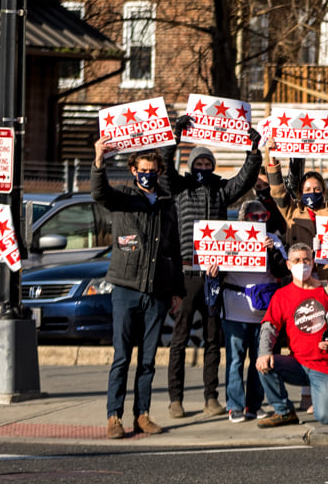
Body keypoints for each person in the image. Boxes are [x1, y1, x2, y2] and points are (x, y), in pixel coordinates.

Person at [163, 115, 263, 419]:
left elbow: (245, 178)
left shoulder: (221, 191)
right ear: (192, 166)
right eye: (199, 164)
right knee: (179, 337)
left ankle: (211, 398)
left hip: (214, 274)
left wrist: (253, 149)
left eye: (208, 165)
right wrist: (174, 137)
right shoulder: (180, 188)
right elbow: (166, 169)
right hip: (186, 272)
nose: (203, 169)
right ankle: (175, 400)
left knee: (212, 338)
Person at [91, 137, 185, 440]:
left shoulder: (167, 203)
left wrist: (177, 291)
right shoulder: (123, 197)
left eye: (153, 170)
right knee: (121, 357)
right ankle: (113, 417)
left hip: (156, 292)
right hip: (126, 288)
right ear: (133, 170)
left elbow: (173, 249)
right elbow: (98, 191)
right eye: (143, 169)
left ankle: (142, 414)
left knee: (148, 359)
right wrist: (98, 159)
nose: (148, 175)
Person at [255, 242, 328, 427]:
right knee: (265, 364)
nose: (303, 264)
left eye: (306, 259)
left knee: (325, 418)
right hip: (297, 364)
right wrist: (264, 352)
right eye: (297, 260)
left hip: (325, 367)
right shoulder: (282, 295)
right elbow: (269, 327)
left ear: (313, 262)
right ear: (288, 265)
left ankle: (321, 399)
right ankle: (283, 411)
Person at [206, 199, 287, 422]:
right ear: (244, 219)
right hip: (235, 307)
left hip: (265, 310)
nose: (260, 221)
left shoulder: (274, 240)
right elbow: (216, 265)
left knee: (259, 359)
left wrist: (273, 251)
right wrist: (212, 273)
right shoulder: (229, 238)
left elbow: (283, 271)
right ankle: (235, 405)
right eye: (255, 217)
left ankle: (254, 404)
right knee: (235, 359)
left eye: (264, 217)